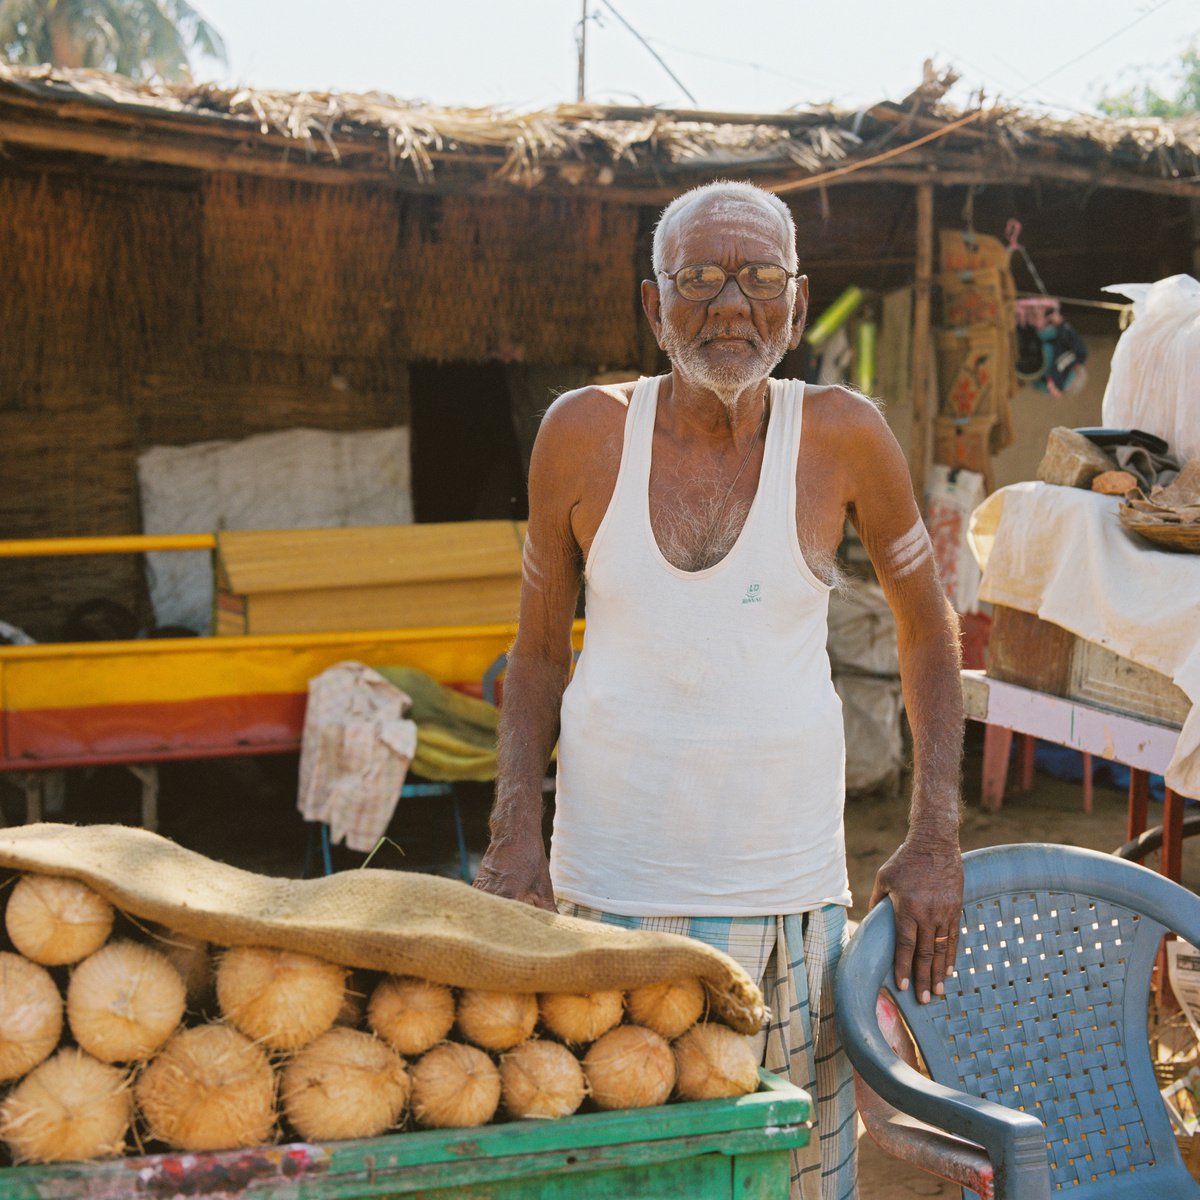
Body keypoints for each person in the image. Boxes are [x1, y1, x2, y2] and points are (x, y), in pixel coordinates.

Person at [474, 179, 964, 1200]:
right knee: (625, 1176)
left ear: (797, 300)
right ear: (655, 307)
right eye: (698, 278)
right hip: (610, 897)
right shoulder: (581, 433)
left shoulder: (844, 435)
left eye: (760, 278)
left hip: (786, 899)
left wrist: (934, 835)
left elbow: (928, 630)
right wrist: (514, 828)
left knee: (790, 1176)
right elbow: (534, 657)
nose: (731, 306)